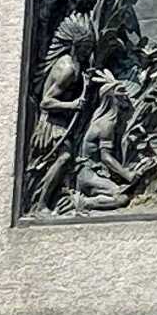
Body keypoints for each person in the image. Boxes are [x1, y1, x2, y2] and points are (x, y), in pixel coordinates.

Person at [26, 13, 95, 211]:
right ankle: (40, 204)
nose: (88, 52)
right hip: (51, 123)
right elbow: (46, 102)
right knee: (63, 158)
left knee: (64, 160)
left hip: (61, 121)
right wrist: (72, 105)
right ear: (75, 45)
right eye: (85, 47)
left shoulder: (75, 65)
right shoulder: (67, 69)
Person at [74, 74, 154, 211]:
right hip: (88, 175)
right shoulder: (107, 124)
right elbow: (106, 157)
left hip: (92, 173)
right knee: (121, 198)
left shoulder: (102, 118)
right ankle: (81, 203)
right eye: (121, 92)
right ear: (112, 97)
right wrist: (128, 175)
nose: (126, 95)